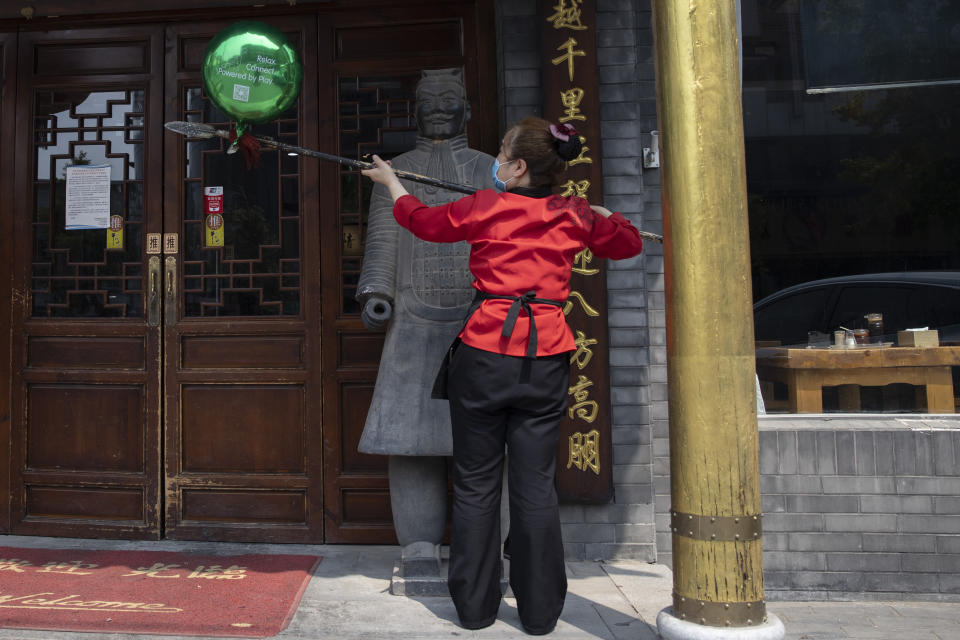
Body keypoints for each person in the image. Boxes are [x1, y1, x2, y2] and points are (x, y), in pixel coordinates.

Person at [361, 117, 644, 635]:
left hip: (485, 356)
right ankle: (539, 616)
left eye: (501, 152)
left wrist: (393, 183)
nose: (495, 160)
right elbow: (626, 244)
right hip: (547, 358)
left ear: (516, 167)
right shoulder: (572, 215)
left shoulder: (486, 206)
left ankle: (474, 610)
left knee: (475, 485)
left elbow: (423, 222)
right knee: (536, 486)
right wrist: (604, 212)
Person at [355, 68, 495, 577]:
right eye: (428, 98)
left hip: (477, 321)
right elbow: (384, 241)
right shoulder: (396, 170)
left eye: (449, 97)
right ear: (414, 108)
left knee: (482, 444)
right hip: (413, 323)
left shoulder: (488, 170)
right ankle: (418, 547)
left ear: (467, 109)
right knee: (410, 441)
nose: (438, 106)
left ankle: (481, 552)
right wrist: (377, 293)